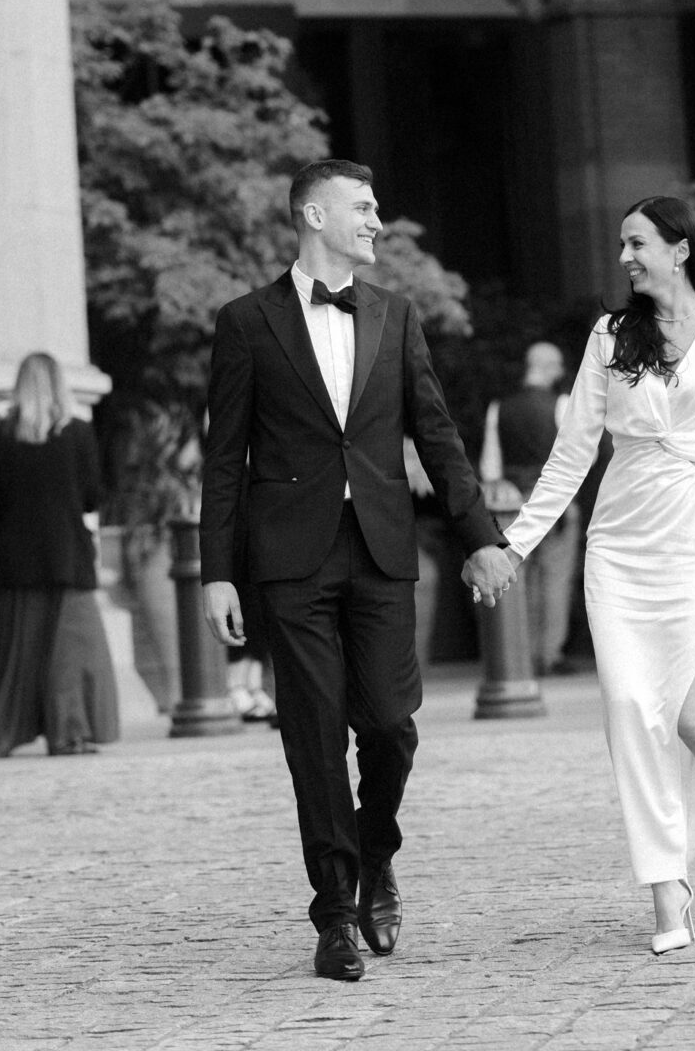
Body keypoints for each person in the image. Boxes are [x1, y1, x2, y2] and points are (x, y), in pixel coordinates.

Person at [200, 158, 515, 984]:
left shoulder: (395, 316)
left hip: (379, 549)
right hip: (288, 559)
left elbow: (437, 436)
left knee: (388, 725)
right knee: (311, 737)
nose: (376, 221)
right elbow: (222, 459)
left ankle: (377, 854)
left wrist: (480, 534)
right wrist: (216, 572)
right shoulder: (245, 322)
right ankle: (334, 912)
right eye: (363, 208)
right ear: (313, 214)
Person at [499, 194, 695, 955]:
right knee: (630, 707)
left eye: (636, 243)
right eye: (621, 244)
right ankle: (667, 893)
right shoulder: (607, 336)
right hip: (620, 540)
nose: (624, 257)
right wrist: (518, 544)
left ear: (679, 248)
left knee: (688, 718)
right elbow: (571, 452)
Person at [0, 352, 120, 758]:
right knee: (69, 652)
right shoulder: (78, 433)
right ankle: (67, 732)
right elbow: (92, 497)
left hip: (15, 563)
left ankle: (2, 735)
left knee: (18, 655)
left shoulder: (2, 436)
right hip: (66, 556)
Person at [480, 341, 578, 673]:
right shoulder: (561, 404)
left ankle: (518, 654)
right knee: (554, 577)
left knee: (516, 576)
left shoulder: (499, 407)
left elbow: (490, 467)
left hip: (511, 501)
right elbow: (580, 458)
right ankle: (549, 654)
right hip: (554, 500)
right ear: (549, 366)